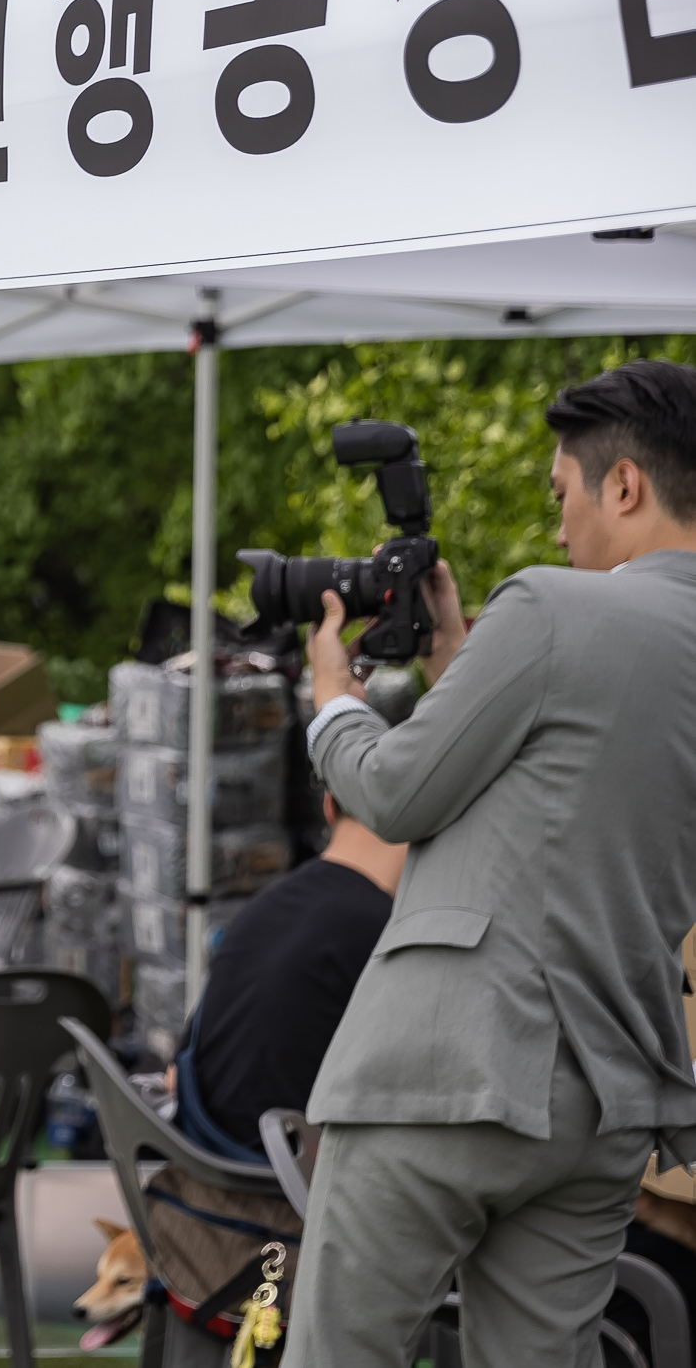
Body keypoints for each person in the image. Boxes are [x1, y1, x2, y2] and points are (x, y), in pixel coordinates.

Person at [286, 359, 696, 1368]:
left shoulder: (557, 607)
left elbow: (392, 794)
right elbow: (571, 786)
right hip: (610, 1095)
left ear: (625, 485)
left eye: (562, 494)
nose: (559, 529)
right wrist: (460, 654)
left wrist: (332, 700)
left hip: (445, 1067)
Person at [170, 790, 406, 1161]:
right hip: (288, 1196)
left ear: (328, 805)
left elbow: (175, 1074)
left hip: (211, 1172)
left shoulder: (263, 907)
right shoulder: (390, 935)